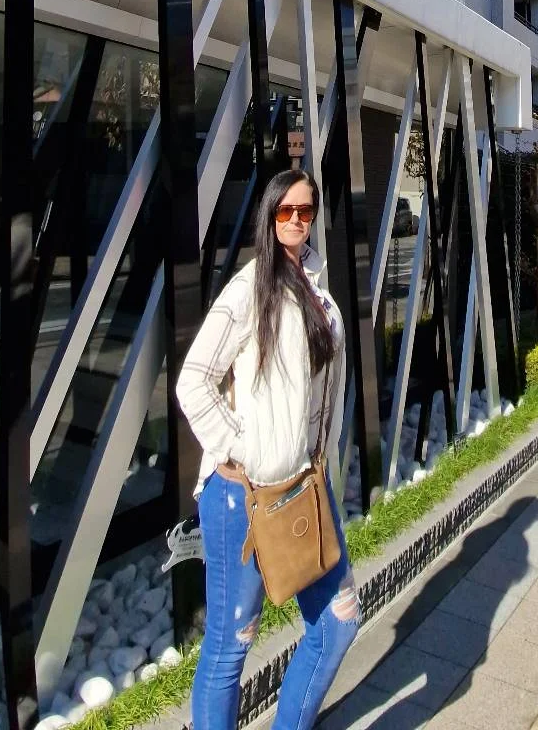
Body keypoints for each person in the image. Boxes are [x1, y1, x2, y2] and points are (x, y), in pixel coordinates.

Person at [176, 168, 359, 730]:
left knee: (338, 619)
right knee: (232, 646)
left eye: (306, 212)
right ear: (269, 215)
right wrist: (241, 449)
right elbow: (193, 380)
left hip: (304, 486)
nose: (297, 222)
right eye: (286, 212)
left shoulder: (315, 288)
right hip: (244, 498)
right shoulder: (249, 289)